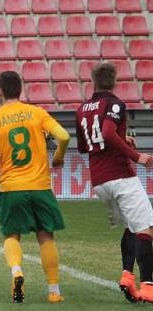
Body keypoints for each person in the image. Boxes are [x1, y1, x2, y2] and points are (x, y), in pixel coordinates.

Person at [0, 71, 70, 303]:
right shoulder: (37, 113)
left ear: (0, 91)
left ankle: (17, 271)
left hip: (12, 188)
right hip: (40, 186)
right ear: (20, 89)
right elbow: (63, 136)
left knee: (11, 235)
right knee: (46, 238)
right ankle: (54, 291)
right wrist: (58, 156)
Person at [75, 62, 153, 303]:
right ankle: (149, 286)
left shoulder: (81, 109)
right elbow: (107, 133)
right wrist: (137, 156)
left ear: (93, 81)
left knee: (131, 226)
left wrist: (122, 138)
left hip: (99, 181)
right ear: (115, 80)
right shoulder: (115, 104)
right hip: (120, 176)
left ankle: (128, 276)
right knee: (147, 229)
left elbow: (83, 146)